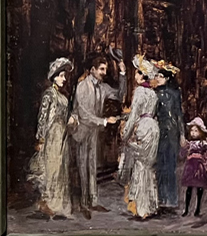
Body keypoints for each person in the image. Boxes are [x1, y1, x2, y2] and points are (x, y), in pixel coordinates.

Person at [72, 54, 125, 219]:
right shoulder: (82, 86)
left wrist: (123, 73)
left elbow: (120, 94)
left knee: (92, 166)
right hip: (81, 131)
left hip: (94, 131)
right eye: (101, 69)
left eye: (105, 69)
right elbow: (83, 114)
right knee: (83, 167)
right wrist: (104, 121)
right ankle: (83, 204)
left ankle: (93, 202)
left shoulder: (103, 87)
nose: (104, 72)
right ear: (93, 70)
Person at [29, 57, 77, 220]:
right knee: (52, 169)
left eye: (64, 76)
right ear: (54, 77)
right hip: (52, 136)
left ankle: (58, 205)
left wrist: (72, 120)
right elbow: (43, 118)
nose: (64, 79)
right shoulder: (49, 94)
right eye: (61, 76)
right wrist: (40, 139)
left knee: (61, 168)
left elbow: (66, 116)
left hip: (61, 135)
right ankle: (48, 203)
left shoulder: (62, 96)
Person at [121, 56, 160, 220]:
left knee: (140, 165)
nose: (135, 75)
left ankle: (142, 208)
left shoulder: (139, 91)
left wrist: (126, 133)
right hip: (154, 128)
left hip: (143, 127)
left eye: (137, 73)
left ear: (142, 75)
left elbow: (134, 114)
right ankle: (150, 205)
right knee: (149, 166)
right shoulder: (153, 93)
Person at [153, 61, 185, 213]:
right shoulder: (154, 94)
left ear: (166, 78)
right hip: (159, 132)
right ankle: (160, 198)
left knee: (171, 166)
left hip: (172, 132)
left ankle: (171, 199)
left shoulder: (174, 94)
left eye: (160, 76)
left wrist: (182, 134)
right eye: (157, 76)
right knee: (160, 166)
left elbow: (178, 115)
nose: (157, 78)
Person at [180, 117, 207, 217]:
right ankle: (186, 209)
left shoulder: (203, 143)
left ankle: (197, 209)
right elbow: (182, 154)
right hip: (190, 167)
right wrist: (184, 148)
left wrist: (205, 161)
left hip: (199, 167)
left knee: (199, 188)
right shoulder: (189, 143)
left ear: (201, 132)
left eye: (196, 131)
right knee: (189, 189)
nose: (193, 133)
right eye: (192, 131)